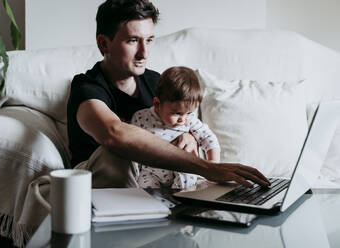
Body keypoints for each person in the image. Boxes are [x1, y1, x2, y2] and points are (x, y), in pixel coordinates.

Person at [67, 0, 270, 188]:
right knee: (116, 153)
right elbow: (115, 134)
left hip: (158, 186)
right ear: (104, 43)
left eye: (149, 40)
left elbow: (185, 121)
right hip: (95, 187)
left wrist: (188, 136)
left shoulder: (157, 81)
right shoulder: (86, 87)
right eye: (132, 40)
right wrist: (209, 168)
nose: (144, 53)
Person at [132, 66, 220, 189]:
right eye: (177, 113)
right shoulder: (141, 118)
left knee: (188, 177)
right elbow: (131, 148)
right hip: (152, 172)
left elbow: (209, 139)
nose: (182, 119)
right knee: (145, 191)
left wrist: (213, 167)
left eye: (189, 113)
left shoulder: (190, 121)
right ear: (157, 104)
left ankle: (181, 202)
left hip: (182, 169)